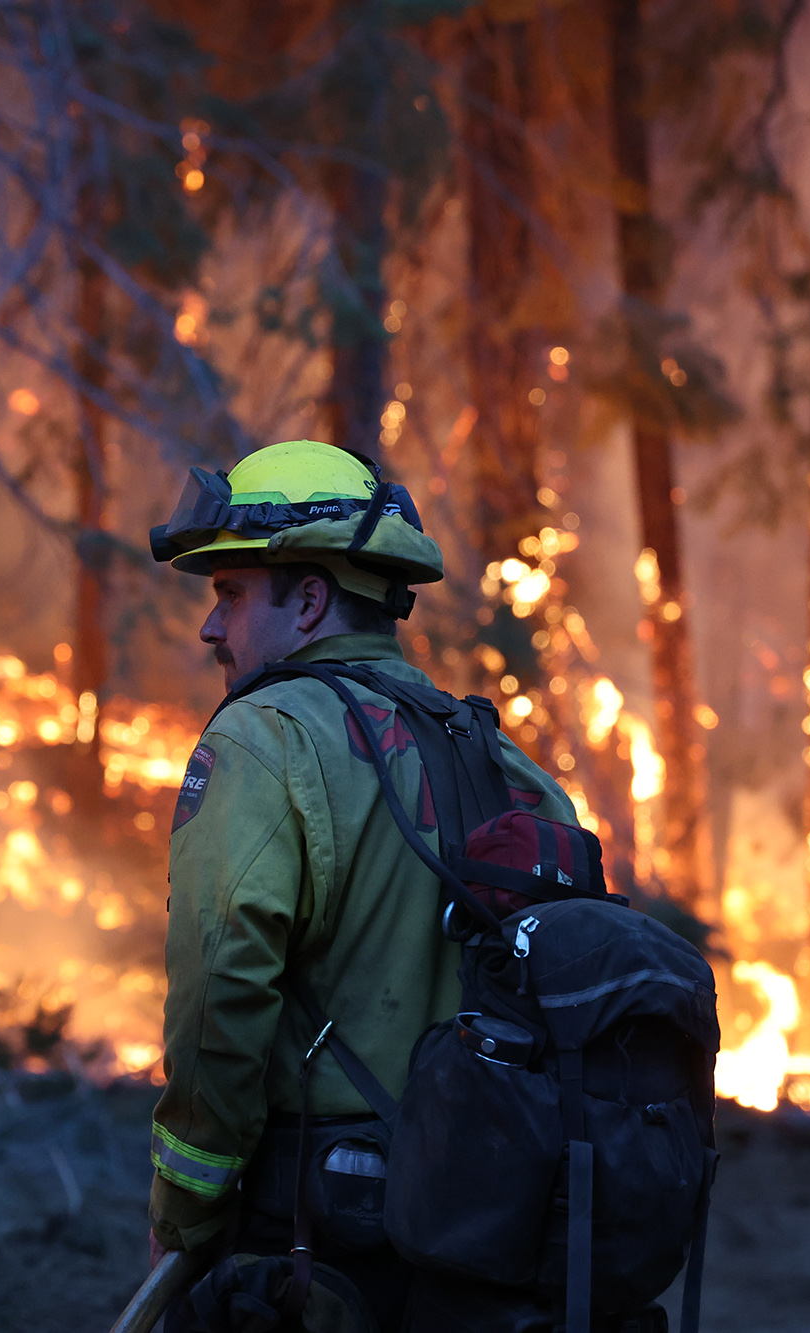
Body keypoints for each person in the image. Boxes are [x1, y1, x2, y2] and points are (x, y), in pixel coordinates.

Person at [144, 440, 580, 1329]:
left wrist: (182, 1217)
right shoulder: (506, 764)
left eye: (229, 593)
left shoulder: (262, 739)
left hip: (309, 1244)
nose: (210, 628)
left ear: (308, 600)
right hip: (480, 1242)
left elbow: (219, 991)